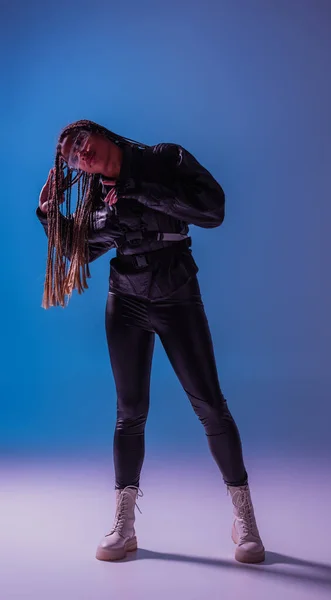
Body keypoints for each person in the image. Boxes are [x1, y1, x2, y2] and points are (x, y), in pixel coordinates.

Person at [36, 119, 265, 564]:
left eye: (82, 143)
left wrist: (140, 190)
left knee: (210, 406)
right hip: (125, 302)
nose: (80, 155)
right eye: (70, 157)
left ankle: (245, 520)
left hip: (177, 296)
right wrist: (49, 214)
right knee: (130, 413)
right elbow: (81, 249)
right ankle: (124, 525)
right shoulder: (97, 196)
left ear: (102, 134)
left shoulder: (164, 158)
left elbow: (212, 210)